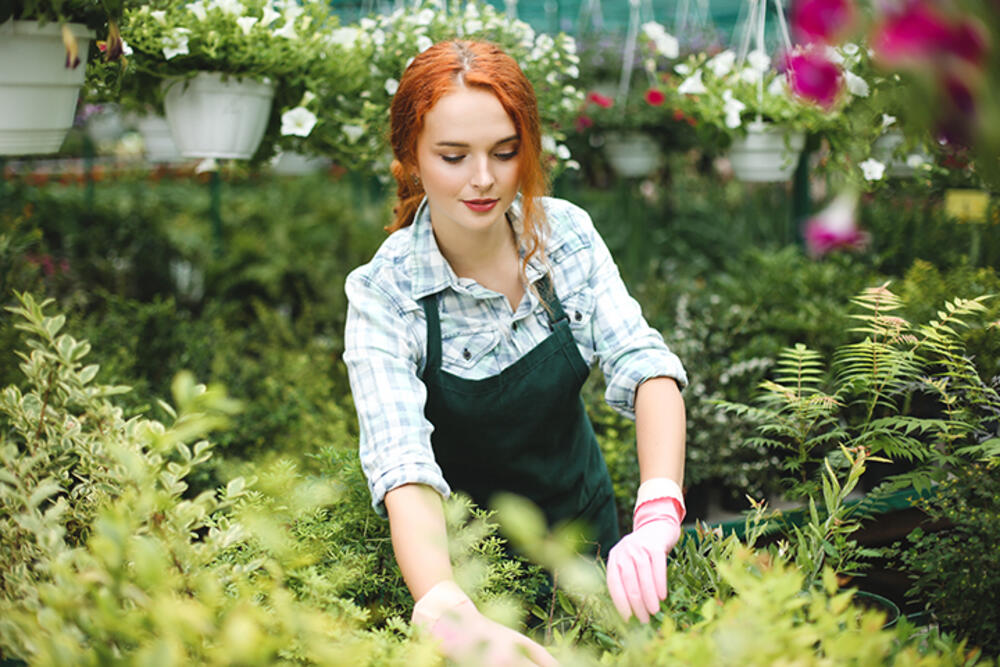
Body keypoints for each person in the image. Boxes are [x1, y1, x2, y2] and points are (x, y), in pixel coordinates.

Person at [343, 39, 688, 666]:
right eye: (453, 156)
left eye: (505, 153)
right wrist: (446, 608)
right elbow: (402, 465)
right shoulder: (384, 294)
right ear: (411, 158)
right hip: (473, 572)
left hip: (591, 542)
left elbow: (646, 366)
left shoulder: (564, 238)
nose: (483, 179)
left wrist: (658, 510)